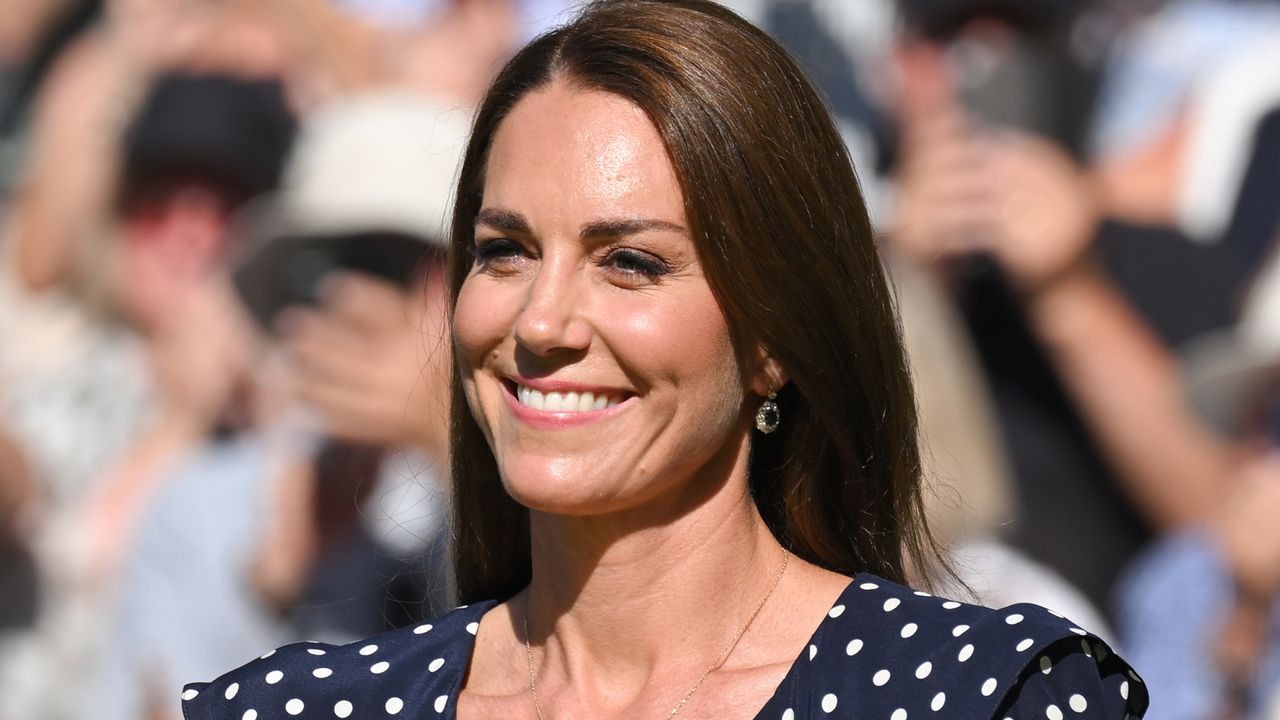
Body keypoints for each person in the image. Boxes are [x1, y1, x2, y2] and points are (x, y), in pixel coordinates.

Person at [181, 2, 1149, 718]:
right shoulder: (290, 707)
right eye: (504, 250)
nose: (541, 321)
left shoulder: (982, 696)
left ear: (774, 338)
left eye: (629, 262)